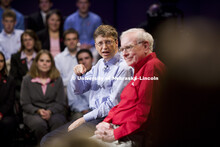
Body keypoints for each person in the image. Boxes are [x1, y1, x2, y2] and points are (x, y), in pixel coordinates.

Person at [40, 25, 133, 146]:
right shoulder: (100, 63)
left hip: (109, 119)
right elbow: (79, 89)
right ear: (95, 45)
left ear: (116, 42)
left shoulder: (123, 67)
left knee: (54, 141)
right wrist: (77, 75)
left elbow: (113, 104)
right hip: (94, 116)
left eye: (108, 42)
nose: (104, 47)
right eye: (100, 43)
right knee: (48, 139)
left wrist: (83, 119)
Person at [94, 28, 165, 146]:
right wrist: (106, 122)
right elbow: (122, 105)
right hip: (118, 129)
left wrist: (115, 133)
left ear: (146, 46)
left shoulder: (151, 68)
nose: (124, 54)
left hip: (129, 135)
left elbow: (145, 115)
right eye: (122, 49)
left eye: (129, 48)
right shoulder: (139, 68)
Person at [20, 50, 67, 143]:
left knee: (58, 122)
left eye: (48, 61)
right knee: (39, 125)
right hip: (33, 113)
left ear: (52, 64)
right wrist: (38, 111)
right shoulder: (27, 79)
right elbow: (25, 103)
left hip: (54, 111)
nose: (45, 63)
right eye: (42, 61)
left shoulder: (57, 79)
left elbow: (61, 102)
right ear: (36, 63)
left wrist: (50, 111)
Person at [9, 30, 41, 113]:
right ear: (22, 42)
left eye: (30, 39)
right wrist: (27, 85)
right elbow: (13, 78)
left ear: (34, 41)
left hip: (39, 88)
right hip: (21, 89)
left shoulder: (41, 56)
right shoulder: (15, 57)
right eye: (25, 40)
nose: (28, 42)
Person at [67, 49, 93, 120]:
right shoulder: (73, 79)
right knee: (78, 117)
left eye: (86, 58)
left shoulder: (101, 75)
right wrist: (84, 110)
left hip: (100, 109)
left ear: (92, 59)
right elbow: (73, 101)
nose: (84, 61)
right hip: (82, 111)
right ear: (78, 62)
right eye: (80, 59)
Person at [0, 51, 17, 146]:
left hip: (5, 114)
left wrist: (1, 113)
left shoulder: (10, 80)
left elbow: (10, 101)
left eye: (1, 61)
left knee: (7, 123)